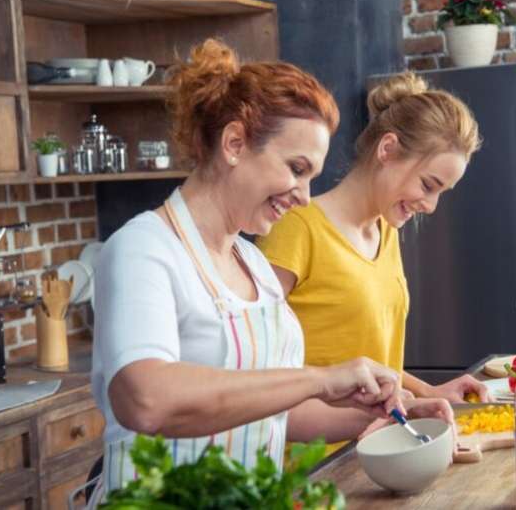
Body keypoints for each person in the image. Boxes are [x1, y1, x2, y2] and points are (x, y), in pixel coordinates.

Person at [89, 40, 452, 504]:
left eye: (312, 177)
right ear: (235, 143)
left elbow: (281, 415)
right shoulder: (143, 249)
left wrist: (391, 414)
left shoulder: (254, 266)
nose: (303, 194)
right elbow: (145, 399)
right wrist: (321, 378)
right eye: (295, 168)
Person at [256, 72, 488, 409]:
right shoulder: (296, 228)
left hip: (381, 445)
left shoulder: (386, 231)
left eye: (441, 192)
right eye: (428, 185)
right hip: (316, 456)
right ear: (388, 149)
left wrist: (429, 392)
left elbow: (367, 362)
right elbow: (255, 364)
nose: (431, 206)